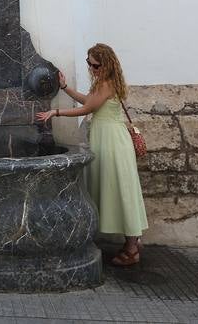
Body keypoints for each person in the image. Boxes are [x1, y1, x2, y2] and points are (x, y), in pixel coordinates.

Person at [36, 43, 148, 266]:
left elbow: (87, 109)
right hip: (106, 140)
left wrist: (55, 112)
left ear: (105, 64)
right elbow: (89, 101)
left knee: (122, 189)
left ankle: (133, 247)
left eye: (94, 64)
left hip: (114, 141)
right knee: (115, 188)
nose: (91, 68)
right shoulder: (103, 82)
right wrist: (66, 87)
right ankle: (131, 243)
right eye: (89, 63)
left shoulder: (107, 83)